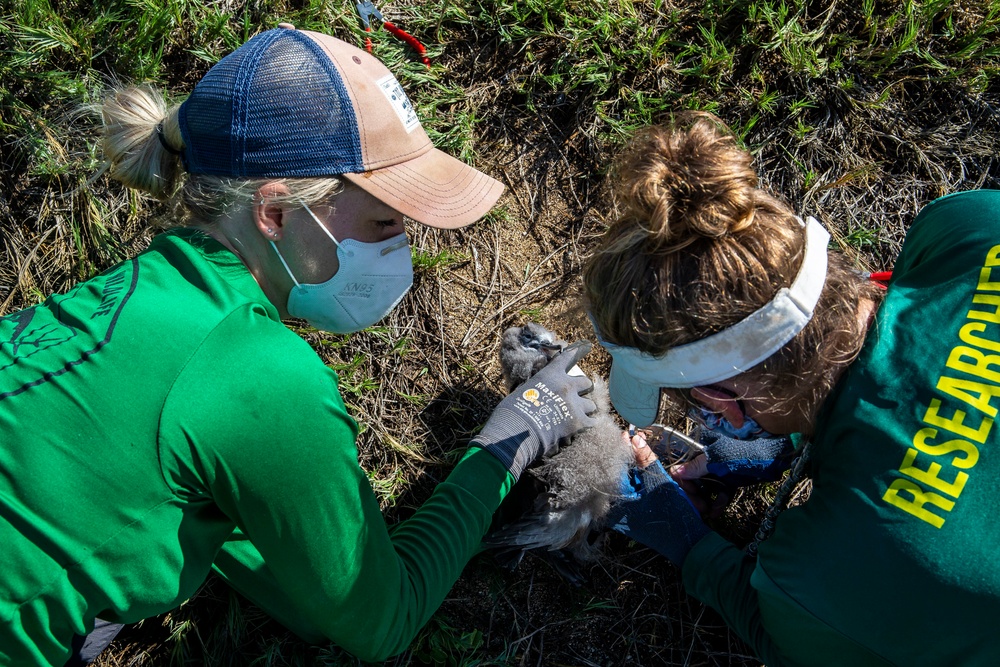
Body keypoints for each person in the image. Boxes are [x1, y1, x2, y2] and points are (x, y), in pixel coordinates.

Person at [0, 25, 598, 665]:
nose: (403, 249)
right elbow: (382, 624)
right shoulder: (259, 378)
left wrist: (316, 589)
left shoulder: (101, 306)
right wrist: (514, 437)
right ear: (276, 212)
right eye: (384, 222)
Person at [586, 112, 999, 666]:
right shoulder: (971, 230)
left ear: (720, 399)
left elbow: (785, 641)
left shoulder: (827, 575)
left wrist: (689, 543)